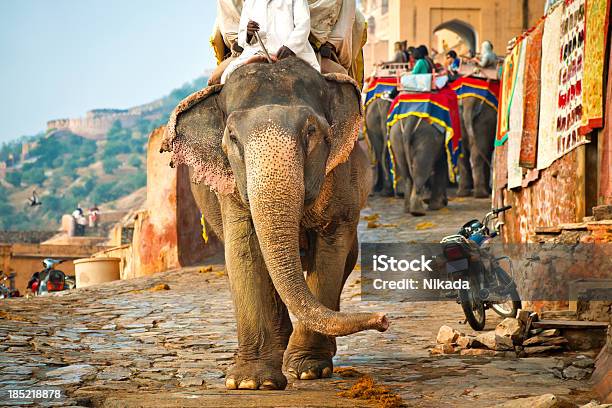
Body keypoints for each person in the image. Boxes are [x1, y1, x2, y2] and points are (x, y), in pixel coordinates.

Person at [221, 0, 320, 83]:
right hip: (256, 52)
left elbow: (303, 25)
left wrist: (290, 47)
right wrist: (248, 34)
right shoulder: (250, 2)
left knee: (315, 82)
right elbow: (242, 38)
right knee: (226, 77)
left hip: (292, 53)